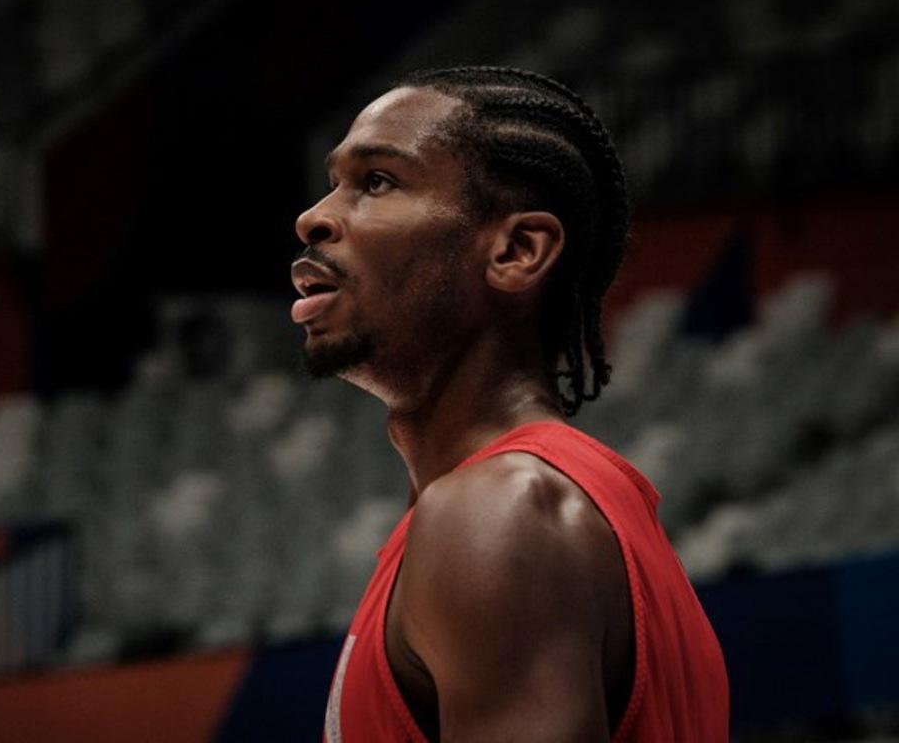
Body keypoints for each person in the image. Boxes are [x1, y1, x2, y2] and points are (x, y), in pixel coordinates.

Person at [290, 66, 729, 742]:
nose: (314, 217)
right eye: (334, 184)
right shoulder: (541, 501)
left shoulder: (498, 512)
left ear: (516, 250)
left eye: (377, 181)